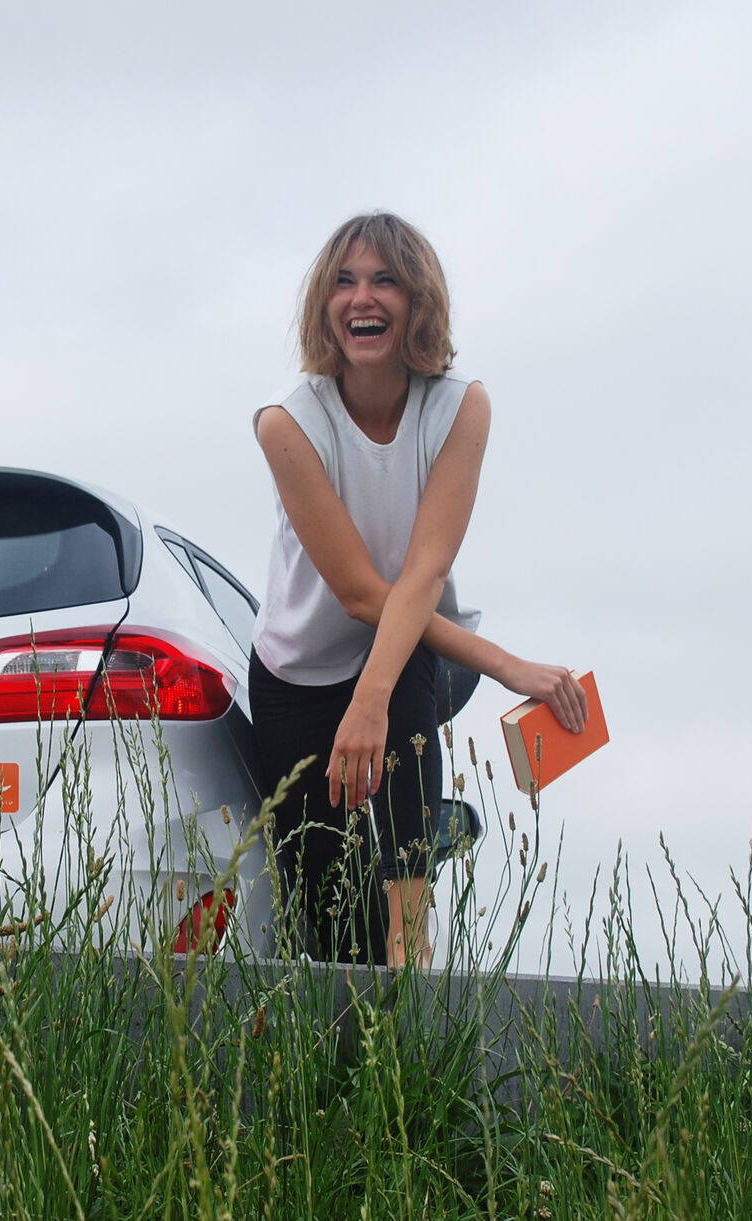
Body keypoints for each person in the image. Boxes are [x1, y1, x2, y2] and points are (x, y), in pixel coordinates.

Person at [250, 211, 587, 969]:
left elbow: (424, 577)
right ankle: (387, 929)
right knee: (335, 923)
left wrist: (375, 699)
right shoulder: (287, 422)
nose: (360, 297)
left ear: (417, 300)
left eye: (383, 280)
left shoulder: (459, 405)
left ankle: (415, 942)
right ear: (324, 303)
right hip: (298, 678)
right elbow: (363, 593)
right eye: (343, 281)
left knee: (401, 678)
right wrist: (512, 665)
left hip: (417, 653)